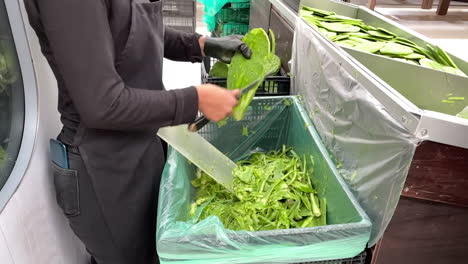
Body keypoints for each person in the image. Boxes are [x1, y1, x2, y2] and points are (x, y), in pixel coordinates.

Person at [23, 0, 251, 263]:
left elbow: (127, 27)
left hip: (141, 146)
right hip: (101, 168)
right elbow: (102, 104)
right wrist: (196, 100)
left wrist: (199, 45)